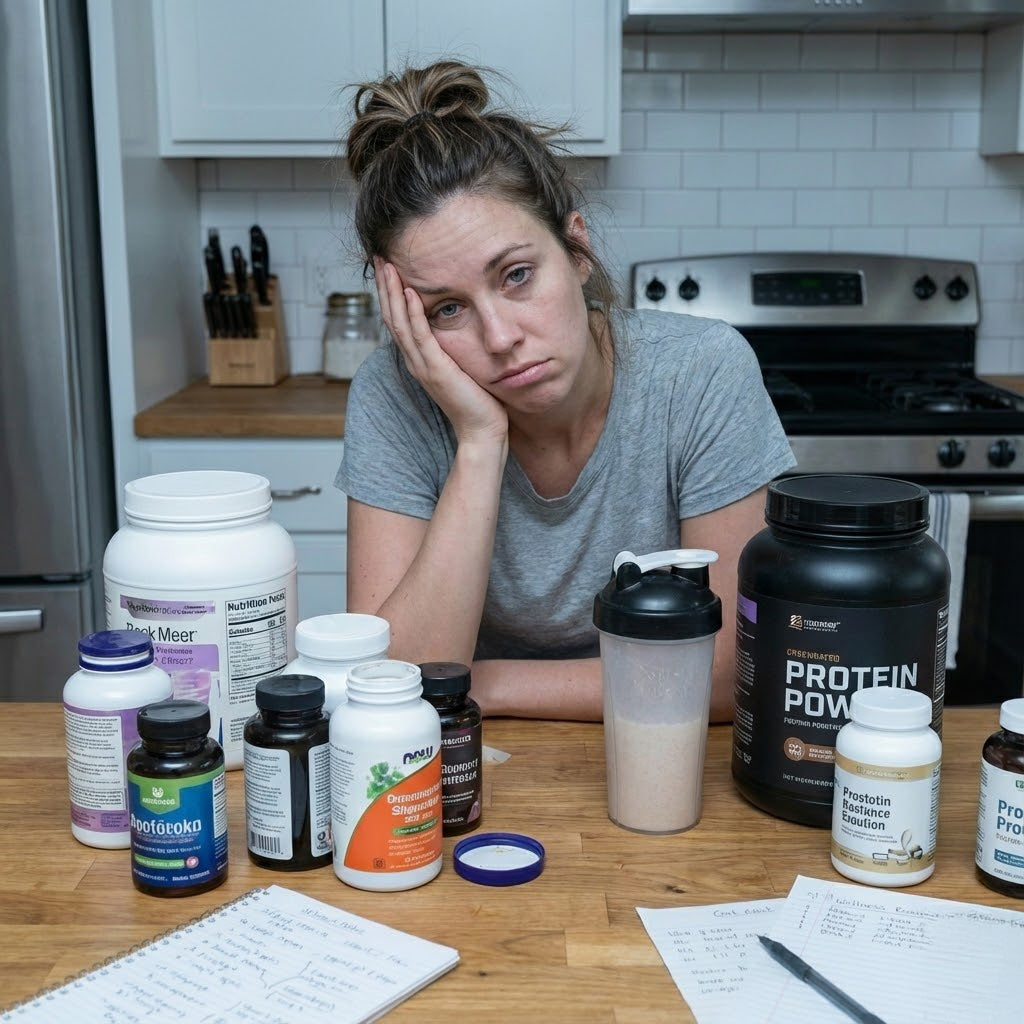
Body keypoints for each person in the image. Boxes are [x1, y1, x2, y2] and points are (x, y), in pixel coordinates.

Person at [335, 60, 795, 723]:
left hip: (659, 751)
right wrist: (480, 439)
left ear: (577, 251)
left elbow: (729, 674)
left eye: (517, 275)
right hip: (477, 768)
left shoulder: (699, 373)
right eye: (447, 310)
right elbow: (391, 688)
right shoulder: (396, 394)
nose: (500, 336)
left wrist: (480, 684)